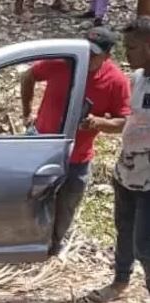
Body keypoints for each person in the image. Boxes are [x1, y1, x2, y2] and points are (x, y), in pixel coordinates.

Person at [21, 27, 131, 256]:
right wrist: (26, 112)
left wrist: (98, 122)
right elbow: (29, 76)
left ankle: (53, 245)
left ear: (108, 55)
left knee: (66, 206)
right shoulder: (62, 62)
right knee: (31, 200)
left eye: (95, 54)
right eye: (85, 51)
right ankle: (27, 243)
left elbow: (123, 121)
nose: (88, 58)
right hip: (42, 148)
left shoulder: (115, 81)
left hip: (77, 157)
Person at [90, 17, 150, 302]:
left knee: (145, 245)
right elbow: (130, 122)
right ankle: (120, 282)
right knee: (123, 230)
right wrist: (100, 123)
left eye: (133, 47)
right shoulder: (137, 80)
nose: (127, 53)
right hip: (127, 170)